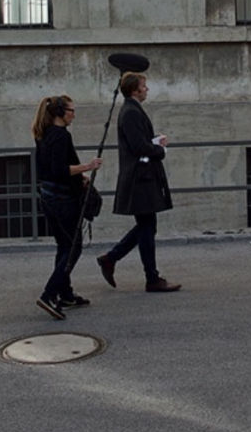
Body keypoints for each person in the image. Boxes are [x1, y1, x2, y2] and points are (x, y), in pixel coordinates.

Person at [96, 72, 181, 293]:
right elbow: (138, 147)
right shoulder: (131, 112)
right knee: (147, 225)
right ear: (135, 89)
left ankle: (112, 258)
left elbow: (140, 143)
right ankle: (150, 277)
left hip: (140, 176)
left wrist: (153, 142)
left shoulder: (131, 110)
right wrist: (160, 149)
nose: (147, 89)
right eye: (144, 86)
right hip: (139, 178)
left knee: (147, 225)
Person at [32, 95, 103, 320]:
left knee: (63, 246)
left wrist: (79, 176)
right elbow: (60, 169)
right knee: (73, 248)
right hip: (62, 200)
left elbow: (51, 169)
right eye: (71, 110)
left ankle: (66, 294)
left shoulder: (43, 133)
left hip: (48, 196)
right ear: (61, 112)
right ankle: (49, 294)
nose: (74, 114)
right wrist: (88, 167)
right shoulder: (61, 135)